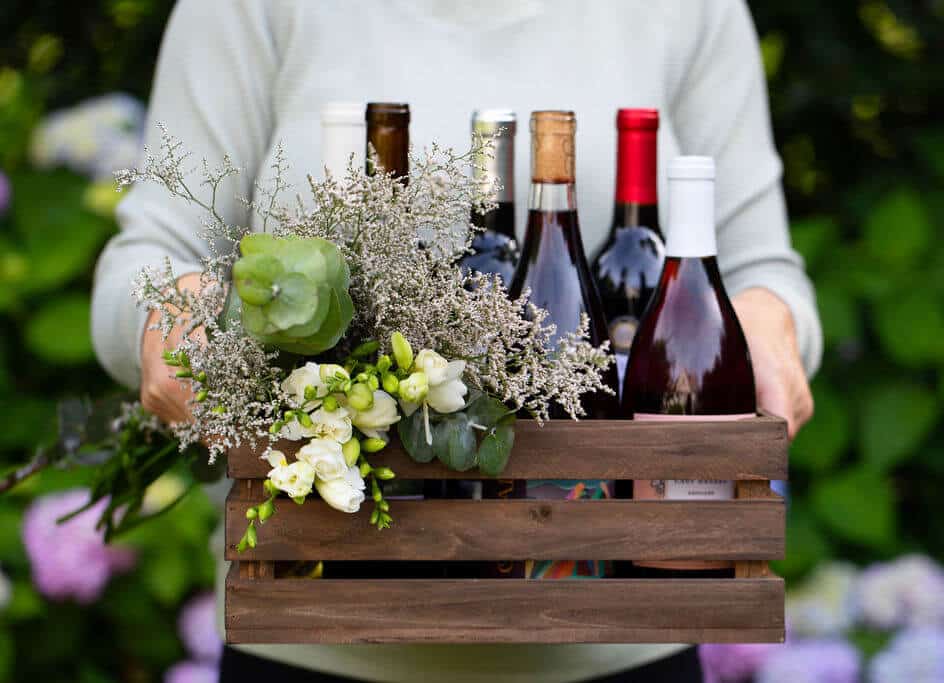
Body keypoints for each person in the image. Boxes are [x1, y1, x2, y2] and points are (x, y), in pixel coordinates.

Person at [91, 1, 820, 681]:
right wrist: (171, 319)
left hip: (623, 641)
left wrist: (765, 323)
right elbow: (155, 252)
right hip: (312, 637)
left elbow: (761, 271)